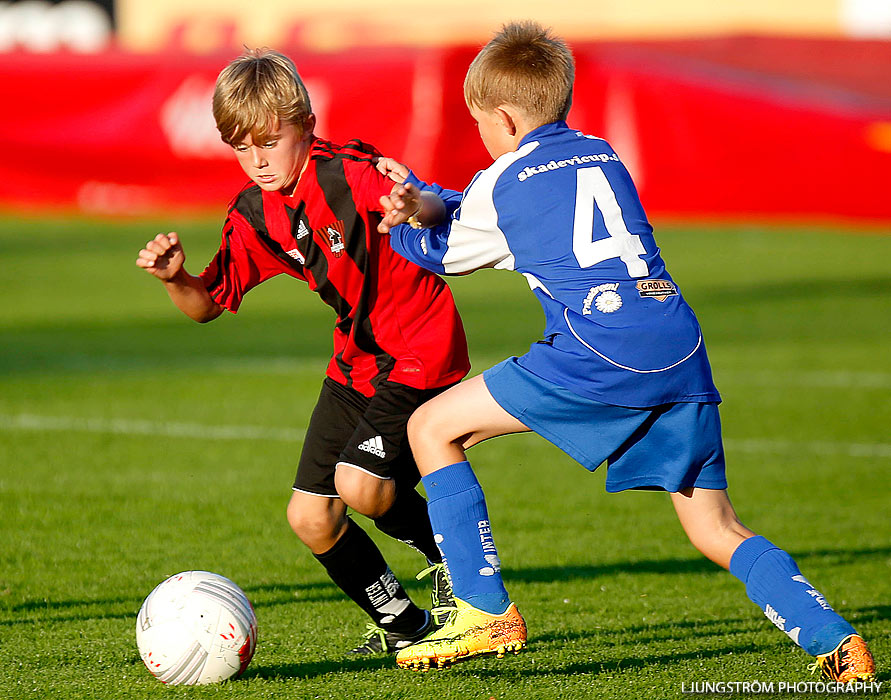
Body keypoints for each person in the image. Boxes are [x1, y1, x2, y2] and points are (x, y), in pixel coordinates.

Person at [376, 21, 878, 680]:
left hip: (598, 350)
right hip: (677, 346)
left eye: (478, 124)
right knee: (714, 527)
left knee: (430, 426)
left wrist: (397, 226)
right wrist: (431, 200)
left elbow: (449, 252)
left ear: (500, 118)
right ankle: (834, 642)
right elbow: (492, 210)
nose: (479, 136)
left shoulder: (503, 183)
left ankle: (482, 608)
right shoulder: (599, 152)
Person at [135, 48, 470, 655]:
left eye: (269, 141)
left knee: (363, 487)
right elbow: (209, 302)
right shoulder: (252, 216)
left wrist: (412, 203)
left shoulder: (350, 172)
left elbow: (430, 199)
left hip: (422, 347)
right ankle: (404, 625)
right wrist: (175, 279)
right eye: (241, 147)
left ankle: (456, 570)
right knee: (310, 518)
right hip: (356, 362)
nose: (257, 160)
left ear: (306, 126)